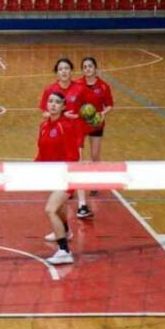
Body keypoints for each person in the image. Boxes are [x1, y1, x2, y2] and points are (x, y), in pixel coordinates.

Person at [37, 91, 82, 265]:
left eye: (57, 102)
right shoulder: (43, 126)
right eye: (50, 101)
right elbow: (41, 154)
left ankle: (64, 250)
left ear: (63, 106)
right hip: (52, 176)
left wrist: (66, 178)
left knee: (51, 209)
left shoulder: (66, 126)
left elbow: (73, 156)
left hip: (67, 176)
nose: (53, 104)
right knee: (61, 210)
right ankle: (66, 232)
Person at [74, 56, 114, 206]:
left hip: (96, 124)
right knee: (76, 157)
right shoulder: (77, 84)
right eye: (85, 67)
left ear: (95, 68)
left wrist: (103, 114)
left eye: (90, 66)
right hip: (79, 124)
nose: (87, 69)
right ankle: (73, 186)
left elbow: (109, 105)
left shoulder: (104, 86)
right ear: (82, 70)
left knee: (95, 155)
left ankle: (96, 183)